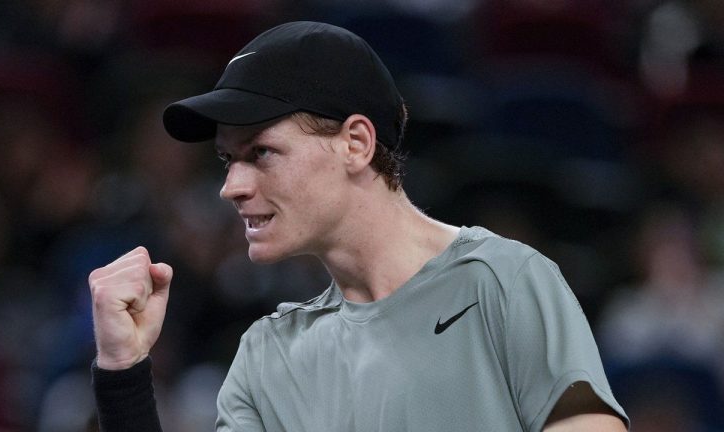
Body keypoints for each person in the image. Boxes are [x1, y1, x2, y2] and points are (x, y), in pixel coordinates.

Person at [89, 21, 629, 431]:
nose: (232, 186)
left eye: (261, 153)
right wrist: (123, 371)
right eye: (228, 160)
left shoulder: (503, 282)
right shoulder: (267, 354)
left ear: (356, 144)